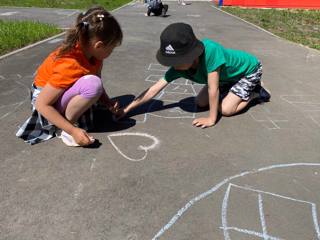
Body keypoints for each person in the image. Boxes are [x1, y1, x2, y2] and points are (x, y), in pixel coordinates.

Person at [117, 22, 270, 128]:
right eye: (172, 61)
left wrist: (211, 119)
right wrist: (127, 109)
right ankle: (231, 88)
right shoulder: (178, 68)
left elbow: (213, 89)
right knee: (201, 102)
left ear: (193, 54)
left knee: (226, 110)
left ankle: (256, 92)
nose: (175, 65)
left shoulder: (211, 51)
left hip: (248, 71)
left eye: (179, 60)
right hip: (225, 77)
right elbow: (153, 89)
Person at [16, 6, 123, 146]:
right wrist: (72, 131)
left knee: (94, 84)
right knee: (92, 84)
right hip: (45, 99)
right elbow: (42, 104)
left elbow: (96, 82)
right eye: (112, 48)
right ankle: (65, 129)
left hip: (61, 91)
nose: (111, 52)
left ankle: (70, 120)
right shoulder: (70, 64)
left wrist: (107, 102)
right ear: (99, 45)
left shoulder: (95, 56)